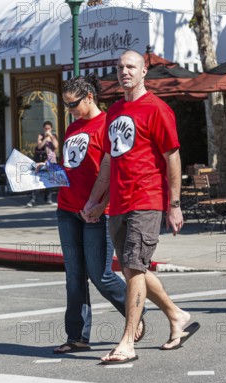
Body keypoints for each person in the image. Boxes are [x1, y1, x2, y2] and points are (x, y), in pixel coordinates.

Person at [83, 50, 199, 364]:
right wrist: (97, 200)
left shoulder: (158, 109)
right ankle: (176, 315)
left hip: (146, 199)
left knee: (133, 267)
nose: (125, 72)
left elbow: (172, 157)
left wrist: (174, 204)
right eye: (120, 67)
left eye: (131, 67)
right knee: (136, 267)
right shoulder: (115, 110)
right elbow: (109, 160)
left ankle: (127, 342)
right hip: (118, 203)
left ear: (144, 71)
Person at [53, 74, 145, 353]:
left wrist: (98, 203)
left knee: (100, 274)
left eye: (73, 104)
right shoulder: (72, 128)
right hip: (67, 208)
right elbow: (70, 166)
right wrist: (46, 173)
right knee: (74, 274)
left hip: (97, 211)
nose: (69, 110)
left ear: (90, 97)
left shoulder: (107, 124)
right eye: (66, 105)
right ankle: (77, 336)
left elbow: (113, 170)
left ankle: (135, 315)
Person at [26, 121, 59, 207]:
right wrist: (45, 138)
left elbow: (56, 145)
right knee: (37, 180)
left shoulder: (54, 136)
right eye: (45, 128)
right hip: (41, 161)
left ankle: (48, 198)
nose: (47, 130)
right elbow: (39, 146)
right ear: (43, 128)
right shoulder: (41, 136)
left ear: (51, 129)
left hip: (51, 161)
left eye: (48, 128)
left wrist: (50, 136)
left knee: (49, 180)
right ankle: (33, 199)